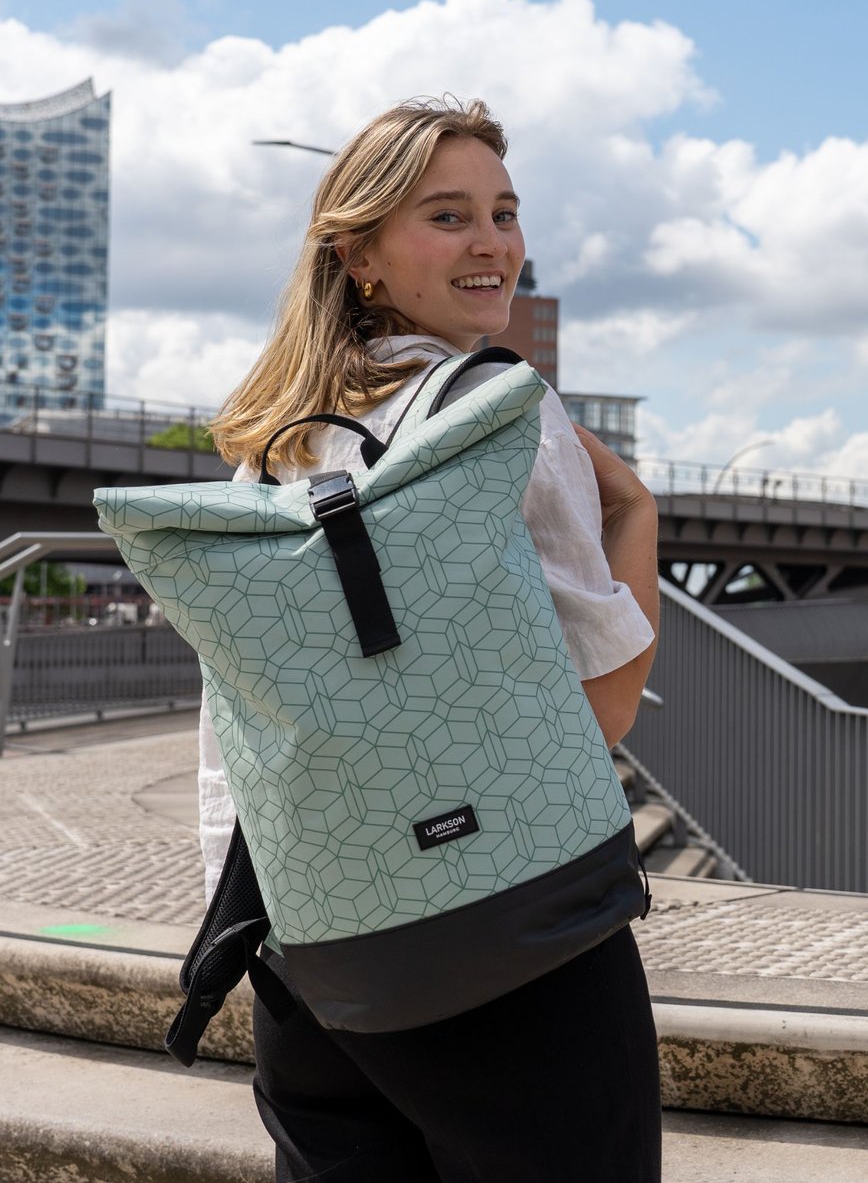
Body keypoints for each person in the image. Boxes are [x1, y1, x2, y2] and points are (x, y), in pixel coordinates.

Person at [200, 97, 662, 1182]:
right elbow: (602, 709)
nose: (492, 242)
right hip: (508, 947)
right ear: (358, 254)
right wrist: (635, 512)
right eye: (447, 216)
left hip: (308, 953)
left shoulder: (273, 443)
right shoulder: (499, 411)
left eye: (503, 212)